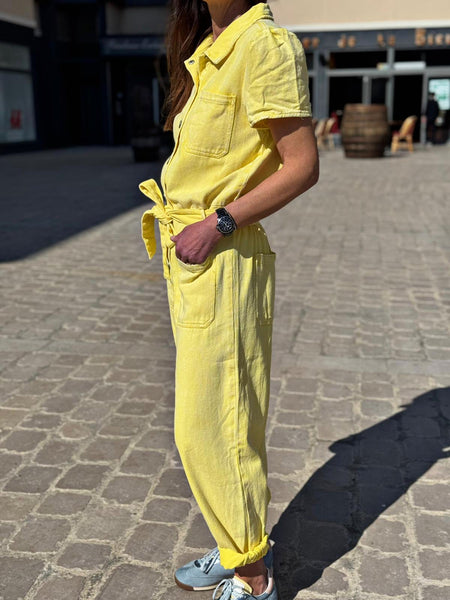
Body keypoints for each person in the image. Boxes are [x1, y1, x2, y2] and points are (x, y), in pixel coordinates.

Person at [139, 1, 319, 599]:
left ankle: (253, 576)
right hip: (192, 260)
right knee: (212, 423)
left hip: (224, 256)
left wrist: (217, 223)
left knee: (218, 426)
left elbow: (302, 166)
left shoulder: (265, 46)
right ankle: (235, 542)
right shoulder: (207, 52)